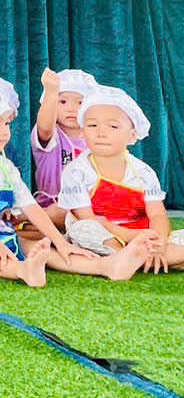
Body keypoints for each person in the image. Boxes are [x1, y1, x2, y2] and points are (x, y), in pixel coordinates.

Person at [0, 76, 115, 285]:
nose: (4, 131)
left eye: (7, 123)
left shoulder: (5, 165)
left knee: (37, 247)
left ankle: (105, 266)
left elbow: (31, 207)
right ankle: (23, 270)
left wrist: (60, 243)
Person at [58, 85, 183, 275]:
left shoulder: (144, 172)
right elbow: (86, 217)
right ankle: (129, 256)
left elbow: (157, 214)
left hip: (144, 235)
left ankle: (143, 257)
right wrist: (130, 236)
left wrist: (158, 244)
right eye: (92, 125)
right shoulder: (75, 172)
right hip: (105, 236)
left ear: (133, 136)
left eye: (113, 126)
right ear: (82, 132)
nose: (101, 132)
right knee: (83, 229)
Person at [33, 67, 97, 223]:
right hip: (54, 206)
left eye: (80, 103)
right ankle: (34, 220)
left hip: (89, 207)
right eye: (62, 101)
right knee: (63, 211)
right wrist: (51, 92)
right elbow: (45, 127)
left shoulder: (97, 139)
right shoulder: (52, 136)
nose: (71, 108)